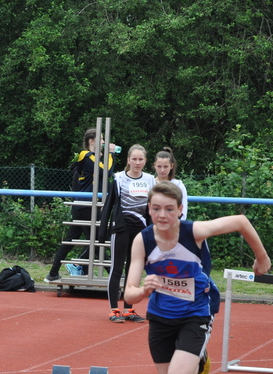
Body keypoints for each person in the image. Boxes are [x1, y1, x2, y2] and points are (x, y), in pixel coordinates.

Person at [123, 182, 270, 374]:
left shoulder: (194, 232)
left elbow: (240, 221)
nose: (162, 215)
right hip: (160, 316)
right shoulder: (143, 241)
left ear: (180, 210)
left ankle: (199, 356)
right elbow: (128, 292)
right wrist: (142, 290)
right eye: (156, 209)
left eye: (168, 209)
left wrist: (261, 258)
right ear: (149, 210)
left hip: (196, 312)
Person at [45, 128, 115, 282]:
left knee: (73, 240)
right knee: (98, 240)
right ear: (92, 141)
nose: (103, 142)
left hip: (85, 205)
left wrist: (106, 156)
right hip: (86, 206)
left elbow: (104, 175)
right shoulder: (86, 156)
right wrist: (111, 154)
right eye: (101, 139)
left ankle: (53, 273)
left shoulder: (93, 158)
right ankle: (114, 274)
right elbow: (106, 172)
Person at [100, 144, 155, 323]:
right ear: (128, 160)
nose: (137, 163)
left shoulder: (149, 180)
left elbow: (152, 207)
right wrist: (102, 230)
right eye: (134, 159)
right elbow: (109, 204)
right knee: (117, 268)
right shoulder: (118, 178)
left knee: (133, 270)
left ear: (145, 161)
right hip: (121, 228)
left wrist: (154, 231)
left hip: (140, 230)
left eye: (140, 159)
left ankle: (128, 309)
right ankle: (114, 309)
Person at [154, 147, 188, 219]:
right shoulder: (150, 183)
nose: (162, 170)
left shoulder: (178, 185)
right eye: (159, 166)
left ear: (171, 166)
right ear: (155, 165)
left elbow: (183, 211)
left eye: (165, 166)